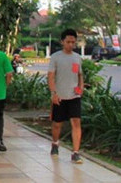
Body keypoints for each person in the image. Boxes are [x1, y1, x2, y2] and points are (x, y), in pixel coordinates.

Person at [48, 28, 84, 164]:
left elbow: (80, 75)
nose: (71, 44)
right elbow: (51, 76)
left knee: (76, 122)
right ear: (62, 42)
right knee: (57, 124)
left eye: (73, 42)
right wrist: (53, 93)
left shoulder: (77, 58)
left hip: (74, 96)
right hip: (60, 96)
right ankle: (55, 143)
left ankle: (75, 152)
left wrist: (81, 87)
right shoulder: (56, 57)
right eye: (68, 42)